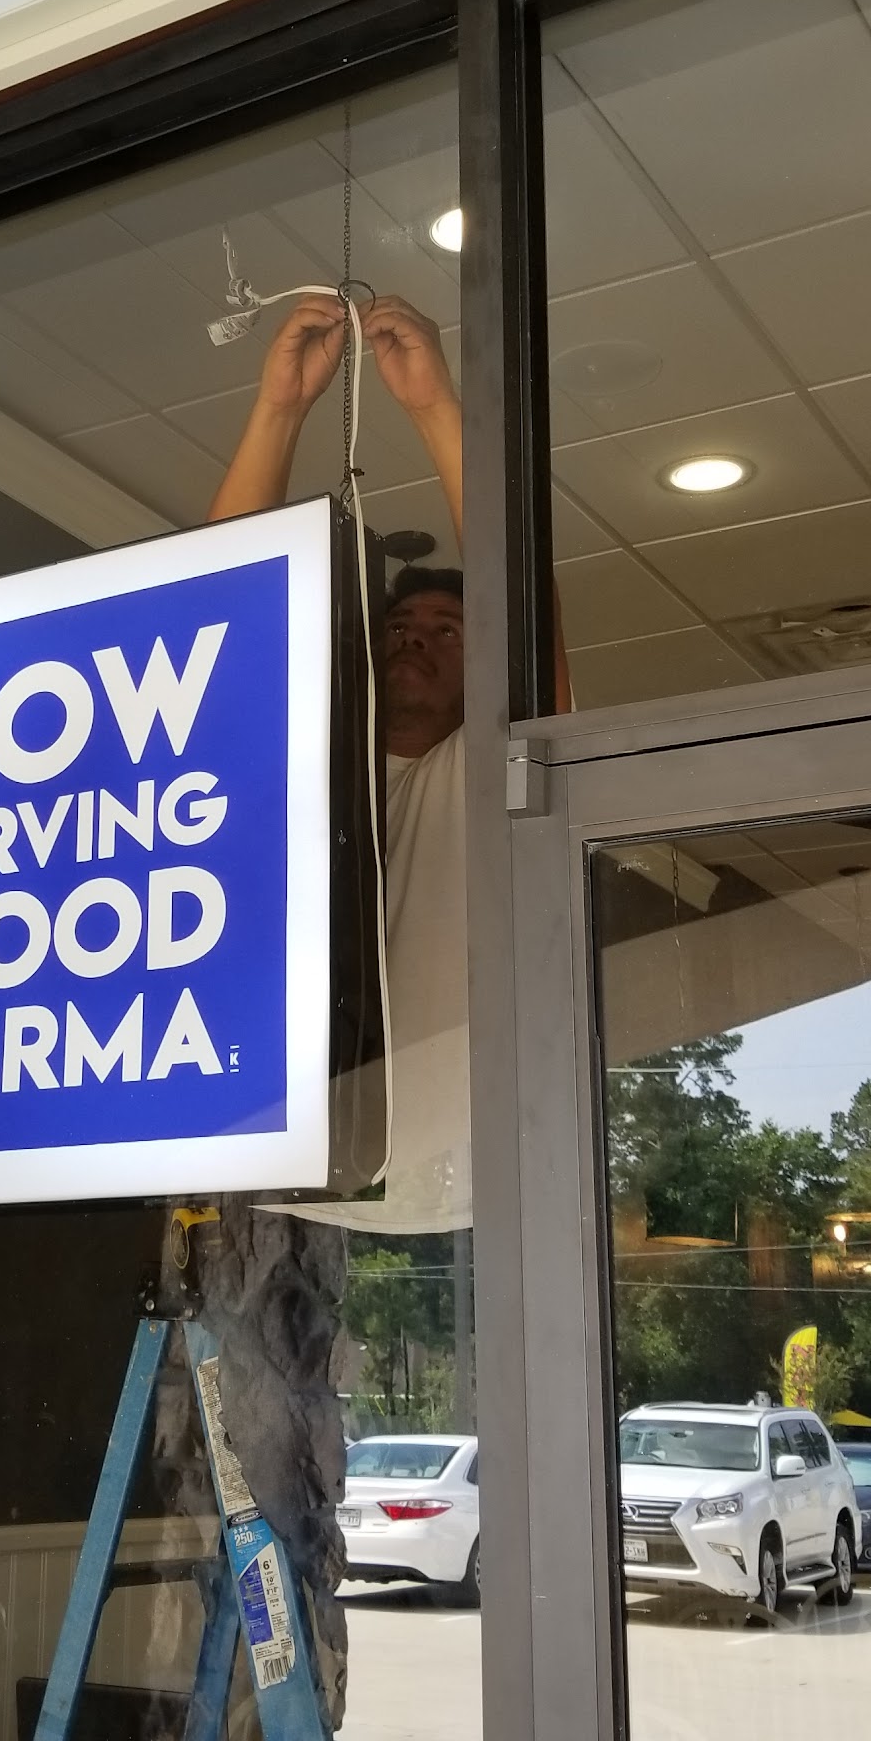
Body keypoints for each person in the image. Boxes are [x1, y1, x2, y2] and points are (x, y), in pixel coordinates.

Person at [207, 293, 568, 1231]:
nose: (415, 640)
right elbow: (215, 617)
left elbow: (528, 623)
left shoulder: (475, 779)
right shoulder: (309, 773)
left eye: (449, 630)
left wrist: (436, 409)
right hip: (285, 1163)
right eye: (401, 625)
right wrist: (279, 409)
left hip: (451, 1170)